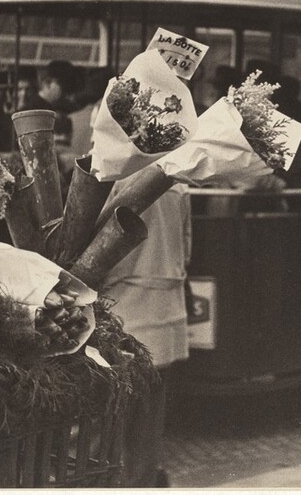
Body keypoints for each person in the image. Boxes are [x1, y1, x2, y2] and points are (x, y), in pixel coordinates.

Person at [101, 179, 191, 487]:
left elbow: (100, 251)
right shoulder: (177, 185)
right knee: (149, 421)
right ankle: (144, 480)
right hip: (166, 314)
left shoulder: (116, 183)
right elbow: (187, 248)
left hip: (125, 312)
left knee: (117, 422)